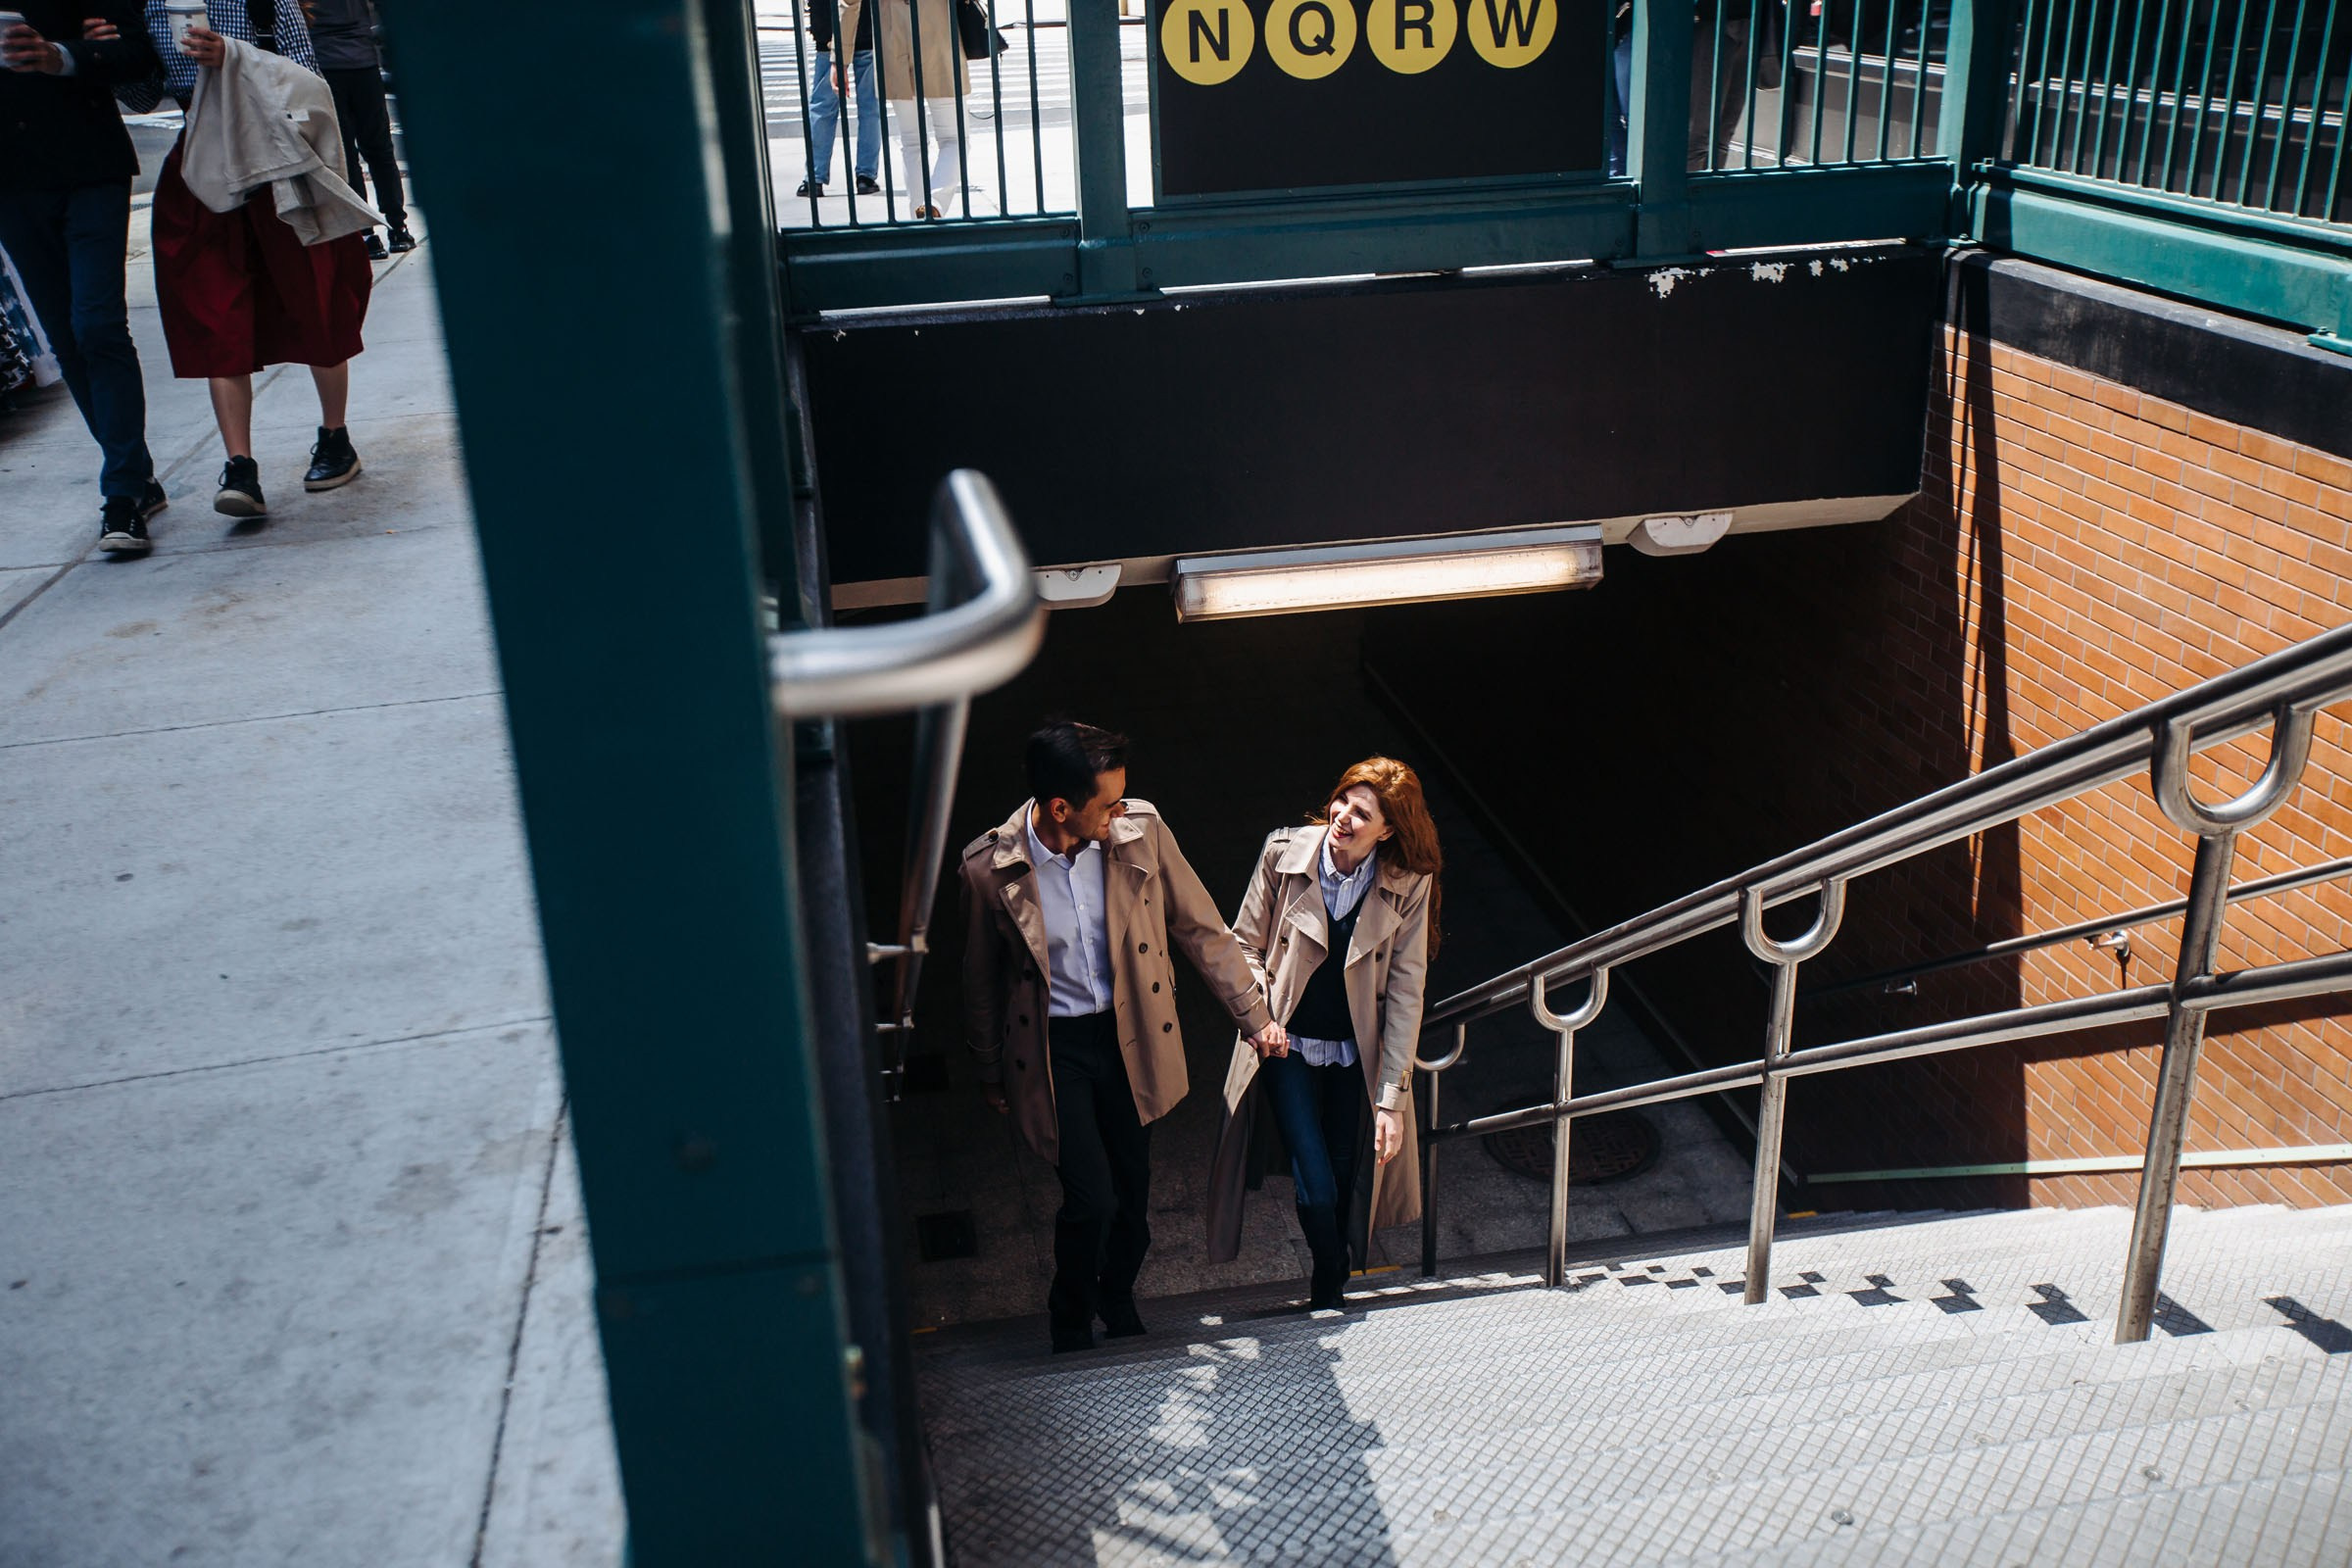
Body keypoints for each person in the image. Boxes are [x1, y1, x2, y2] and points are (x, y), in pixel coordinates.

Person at [959, 721, 1286, 1352]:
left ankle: (1118, 1295)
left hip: (1129, 1035)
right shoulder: (987, 870)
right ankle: (1072, 1318)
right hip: (1056, 1052)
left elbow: (1202, 929)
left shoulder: (1142, 831)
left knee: (1132, 1199)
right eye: (1106, 803)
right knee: (1091, 1200)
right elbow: (979, 980)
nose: (1120, 812)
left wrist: (1255, 1015)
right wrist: (989, 1069)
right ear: (1061, 808)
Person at [1206, 758, 1441, 1311]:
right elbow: (1243, 943)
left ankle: (1325, 1282)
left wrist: (1390, 1100)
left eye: (1363, 813)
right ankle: (1331, 1277)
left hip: (1355, 1053)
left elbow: (1407, 991)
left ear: (1389, 830)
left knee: (1342, 1168)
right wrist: (1260, 1016)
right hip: (1284, 1043)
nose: (1343, 817)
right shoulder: (1283, 854)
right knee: (1314, 1175)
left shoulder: (1408, 884)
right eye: (1342, 801)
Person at [138, 0, 372, 520]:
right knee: (212, 310)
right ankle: (239, 464)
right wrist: (113, 54)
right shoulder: (154, 5)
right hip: (202, 167)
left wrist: (234, 55)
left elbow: (308, 79)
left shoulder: (264, 1)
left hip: (275, 161)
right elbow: (142, 91)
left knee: (315, 299)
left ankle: (335, 436)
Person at [0, 3, 168, 554]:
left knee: (97, 325)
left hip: (89, 166)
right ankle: (134, 475)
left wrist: (65, 55)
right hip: (13, 180)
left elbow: (137, 50)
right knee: (67, 336)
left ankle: (121, 492)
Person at [306, 0, 412, 259]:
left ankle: (365, 233)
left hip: (325, 64)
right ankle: (397, 227)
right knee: (379, 148)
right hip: (363, 61)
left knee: (345, 154)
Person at [869, 0, 977, 219]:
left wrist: (838, 57)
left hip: (893, 44)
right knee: (955, 139)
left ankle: (920, 214)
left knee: (911, 143)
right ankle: (933, 202)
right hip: (939, 44)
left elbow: (848, 4)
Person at [799, 0, 879, 199]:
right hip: (867, 23)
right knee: (870, 106)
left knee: (822, 107)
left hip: (829, 28)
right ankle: (865, 176)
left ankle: (814, 177)